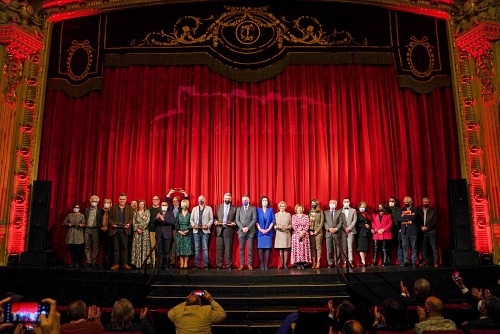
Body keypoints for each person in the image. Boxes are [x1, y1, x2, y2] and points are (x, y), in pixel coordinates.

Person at [109, 193, 133, 270]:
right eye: (121, 199)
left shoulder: (129, 208)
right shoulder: (113, 207)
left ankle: (125, 264)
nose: (122, 201)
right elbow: (109, 218)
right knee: (115, 248)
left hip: (125, 230)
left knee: (125, 248)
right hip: (115, 230)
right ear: (118, 199)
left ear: (126, 200)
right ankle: (116, 264)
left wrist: (129, 224)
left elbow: (132, 218)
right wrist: (112, 224)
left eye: (123, 199)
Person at [213, 193, 237, 270]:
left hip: (229, 230)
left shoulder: (234, 208)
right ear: (223, 198)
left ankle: (228, 265)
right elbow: (215, 217)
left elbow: (236, 219)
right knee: (219, 248)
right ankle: (219, 265)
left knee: (228, 248)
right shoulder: (218, 207)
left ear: (231, 199)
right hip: (219, 229)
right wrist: (215, 221)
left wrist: (234, 223)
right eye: (225, 198)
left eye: (228, 198)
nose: (227, 199)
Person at [166, 188, 190, 267]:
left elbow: (187, 202)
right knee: (171, 245)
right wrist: (169, 193)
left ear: (179, 202)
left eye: (176, 201)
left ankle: (180, 262)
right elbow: (166, 202)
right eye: (173, 201)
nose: (175, 202)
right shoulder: (170, 208)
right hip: (170, 229)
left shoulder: (182, 208)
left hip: (179, 229)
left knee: (179, 245)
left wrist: (185, 194)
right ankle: (172, 262)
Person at [190, 195, 213, 270]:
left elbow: (211, 219)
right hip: (196, 231)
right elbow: (191, 219)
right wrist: (193, 225)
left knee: (205, 248)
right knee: (196, 248)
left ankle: (205, 264)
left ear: (205, 200)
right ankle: (196, 265)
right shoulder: (194, 209)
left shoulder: (209, 208)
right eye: (199, 199)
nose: (201, 201)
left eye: (202, 199)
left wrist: (208, 225)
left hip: (205, 231)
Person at [236, 194, 257, 271]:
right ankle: (241, 264)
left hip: (250, 231)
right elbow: (237, 220)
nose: (244, 201)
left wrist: (248, 228)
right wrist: (242, 228)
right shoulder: (239, 209)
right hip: (241, 232)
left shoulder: (253, 208)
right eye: (243, 200)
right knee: (241, 248)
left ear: (249, 200)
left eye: (246, 200)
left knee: (250, 248)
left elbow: (254, 219)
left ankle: (249, 264)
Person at [417, 197, 440, 267]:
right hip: (422, 232)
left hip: (431, 231)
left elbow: (434, 221)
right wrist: (421, 227)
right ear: (422, 202)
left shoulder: (433, 210)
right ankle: (425, 260)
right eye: (424, 202)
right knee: (424, 247)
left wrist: (427, 227)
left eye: (427, 202)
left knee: (434, 247)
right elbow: (417, 221)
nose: (425, 203)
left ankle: (436, 262)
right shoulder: (419, 211)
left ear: (429, 202)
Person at [324, 199, 345, 268]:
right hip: (328, 233)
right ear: (329, 204)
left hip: (337, 233)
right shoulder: (325, 212)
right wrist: (329, 229)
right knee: (329, 249)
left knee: (337, 249)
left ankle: (337, 263)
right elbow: (324, 222)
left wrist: (336, 229)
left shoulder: (339, 212)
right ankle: (330, 263)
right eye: (331, 203)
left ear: (336, 205)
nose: (332, 204)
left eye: (334, 203)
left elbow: (341, 222)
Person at [63, 203, 86, 268]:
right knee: (72, 248)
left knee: (78, 249)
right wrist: (68, 224)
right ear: (73, 208)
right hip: (71, 233)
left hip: (78, 233)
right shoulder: (69, 215)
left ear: (79, 209)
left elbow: (84, 223)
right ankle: (72, 262)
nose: (76, 209)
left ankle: (77, 262)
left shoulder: (82, 215)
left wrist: (81, 225)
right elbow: (64, 223)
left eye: (78, 207)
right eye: (75, 207)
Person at [399, 196, 419, 267]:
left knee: (414, 247)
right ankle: (406, 261)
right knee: (405, 246)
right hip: (404, 231)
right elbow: (399, 218)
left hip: (413, 230)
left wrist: (404, 216)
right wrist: (408, 217)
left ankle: (413, 261)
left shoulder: (415, 209)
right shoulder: (402, 209)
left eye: (406, 202)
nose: (405, 203)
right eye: (404, 202)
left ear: (410, 202)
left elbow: (413, 218)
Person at [155, 200, 176, 270]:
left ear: (167, 206)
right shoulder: (158, 213)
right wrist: (156, 218)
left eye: (165, 205)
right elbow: (153, 223)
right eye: (162, 205)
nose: (164, 206)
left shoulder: (170, 213)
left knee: (166, 251)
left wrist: (163, 219)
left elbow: (172, 222)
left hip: (167, 234)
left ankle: (166, 265)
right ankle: (160, 265)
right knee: (160, 251)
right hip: (159, 234)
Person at [256, 196, 275, 270]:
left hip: (268, 232)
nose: (264, 202)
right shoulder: (258, 210)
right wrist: (261, 229)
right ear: (261, 202)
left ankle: (266, 264)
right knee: (260, 248)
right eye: (263, 200)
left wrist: (268, 229)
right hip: (260, 232)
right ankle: (262, 264)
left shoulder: (270, 210)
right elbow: (256, 221)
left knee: (268, 248)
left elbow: (272, 221)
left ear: (267, 202)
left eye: (266, 200)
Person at [131, 200, 151, 270]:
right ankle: (136, 262)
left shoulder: (147, 212)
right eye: (140, 204)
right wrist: (137, 229)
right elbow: (133, 222)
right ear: (138, 205)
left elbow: (147, 221)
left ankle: (144, 263)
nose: (141, 205)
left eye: (142, 204)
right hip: (137, 232)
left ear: (144, 205)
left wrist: (141, 228)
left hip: (144, 231)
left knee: (144, 247)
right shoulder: (135, 212)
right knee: (137, 246)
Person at [291, 203, 311, 270]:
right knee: (297, 249)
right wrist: (299, 232)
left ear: (302, 209)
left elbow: (308, 224)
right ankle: (298, 264)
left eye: (300, 208)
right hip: (296, 235)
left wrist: (303, 232)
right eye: (298, 208)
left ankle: (303, 263)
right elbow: (293, 225)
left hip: (305, 235)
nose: (299, 209)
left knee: (303, 249)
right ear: (296, 209)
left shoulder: (306, 216)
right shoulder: (294, 216)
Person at [84, 195, 102, 268]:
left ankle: (94, 261)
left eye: (96, 201)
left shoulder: (100, 210)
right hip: (87, 229)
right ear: (90, 201)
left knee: (96, 246)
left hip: (95, 229)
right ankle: (88, 261)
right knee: (87, 246)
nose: (94, 202)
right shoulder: (86, 210)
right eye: (93, 201)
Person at [175, 199, 193, 269]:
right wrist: (179, 231)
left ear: (187, 205)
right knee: (180, 247)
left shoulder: (190, 213)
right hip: (180, 232)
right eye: (183, 204)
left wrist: (188, 230)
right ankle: (181, 263)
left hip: (188, 232)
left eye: (185, 204)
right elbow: (176, 223)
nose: (184, 205)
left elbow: (191, 222)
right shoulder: (178, 214)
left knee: (187, 247)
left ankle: (186, 263)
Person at [274, 201, 292, 269]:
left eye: (283, 206)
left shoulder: (288, 214)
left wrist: (288, 227)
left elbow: (291, 224)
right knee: (281, 249)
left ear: (285, 207)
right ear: (279, 207)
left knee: (286, 249)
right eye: (281, 206)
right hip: (279, 233)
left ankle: (285, 264)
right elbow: (274, 224)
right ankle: (281, 264)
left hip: (286, 233)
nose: (282, 207)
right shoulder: (276, 215)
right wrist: (275, 227)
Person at [308, 199, 324, 269]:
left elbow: (322, 222)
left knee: (318, 247)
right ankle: (313, 262)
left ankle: (318, 262)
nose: (313, 204)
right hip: (311, 231)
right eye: (312, 203)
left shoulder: (320, 211)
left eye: (314, 203)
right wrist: (310, 230)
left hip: (318, 232)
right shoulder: (310, 211)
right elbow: (308, 222)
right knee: (312, 247)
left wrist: (317, 231)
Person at [341, 198, 357, 267]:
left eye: (347, 201)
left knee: (350, 247)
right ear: (342, 202)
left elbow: (354, 220)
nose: (346, 203)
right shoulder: (340, 211)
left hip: (351, 231)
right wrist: (345, 228)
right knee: (344, 247)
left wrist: (349, 228)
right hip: (343, 231)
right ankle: (344, 261)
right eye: (345, 201)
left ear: (349, 202)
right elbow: (340, 221)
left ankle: (350, 261)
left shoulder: (353, 210)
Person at [355, 201, 371, 267]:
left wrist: (369, 226)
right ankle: (363, 260)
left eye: (364, 207)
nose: (362, 208)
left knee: (366, 247)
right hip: (360, 232)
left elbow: (370, 221)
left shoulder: (367, 214)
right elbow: (356, 223)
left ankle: (364, 260)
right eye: (361, 207)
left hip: (367, 232)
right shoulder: (357, 214)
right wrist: (364, 225)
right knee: (361, 247)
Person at [147, 195, 162, 267]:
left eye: (156, 199)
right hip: (151, 230)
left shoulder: (161, 209)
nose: (155, 201)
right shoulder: (149, 209)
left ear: (159, 200)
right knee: (152, 247)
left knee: (159, 247)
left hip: (160, 231)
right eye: (153, 199)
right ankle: (153, 262)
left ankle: (159, 262)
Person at [388, 196, 402, 266]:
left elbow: (401, 219)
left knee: (399, 245)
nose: (391, 202)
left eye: (392, 201)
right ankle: (388, 260)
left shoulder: (399, 210)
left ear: (395, 202)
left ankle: (400, 260)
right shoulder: (386, 210)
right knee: (388, 246)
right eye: (390, 201)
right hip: (388, 231)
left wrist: (401, 228)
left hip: (397, 230)